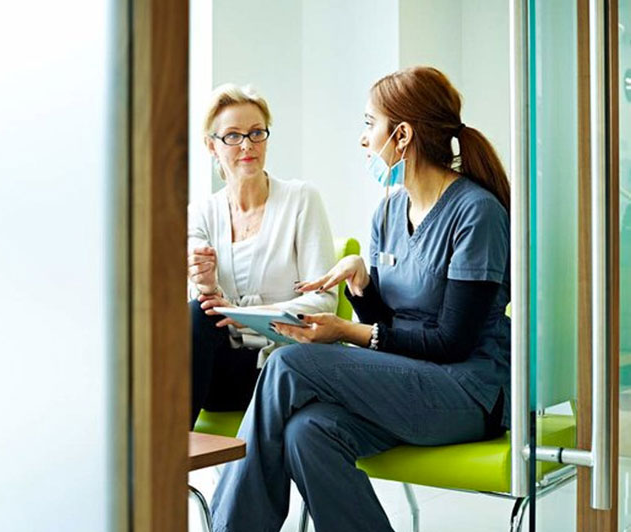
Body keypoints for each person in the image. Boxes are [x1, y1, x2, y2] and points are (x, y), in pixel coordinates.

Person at [209, 66, 511, 532]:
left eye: (370, 123)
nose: (363, 138)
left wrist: (349, 329)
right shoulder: (388, 211)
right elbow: (395, 326)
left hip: (467, 394)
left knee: (287, 364)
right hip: (408, 385)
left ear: (403, 134)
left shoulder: (476, 212)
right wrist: (363, 289)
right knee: (307, 433)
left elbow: (452, 341)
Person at [188, 83, 338, 428]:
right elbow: (201, 317)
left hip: (283, 367)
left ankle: (163, 467)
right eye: (233, 136)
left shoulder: (301, 199)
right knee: (196, 312)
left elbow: (324, 302)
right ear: (211, 145)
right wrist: (207, 286)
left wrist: (249, 316)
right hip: (219, 375)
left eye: (257, 133)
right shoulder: (201, 213)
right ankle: (165, 465)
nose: (247, 145)